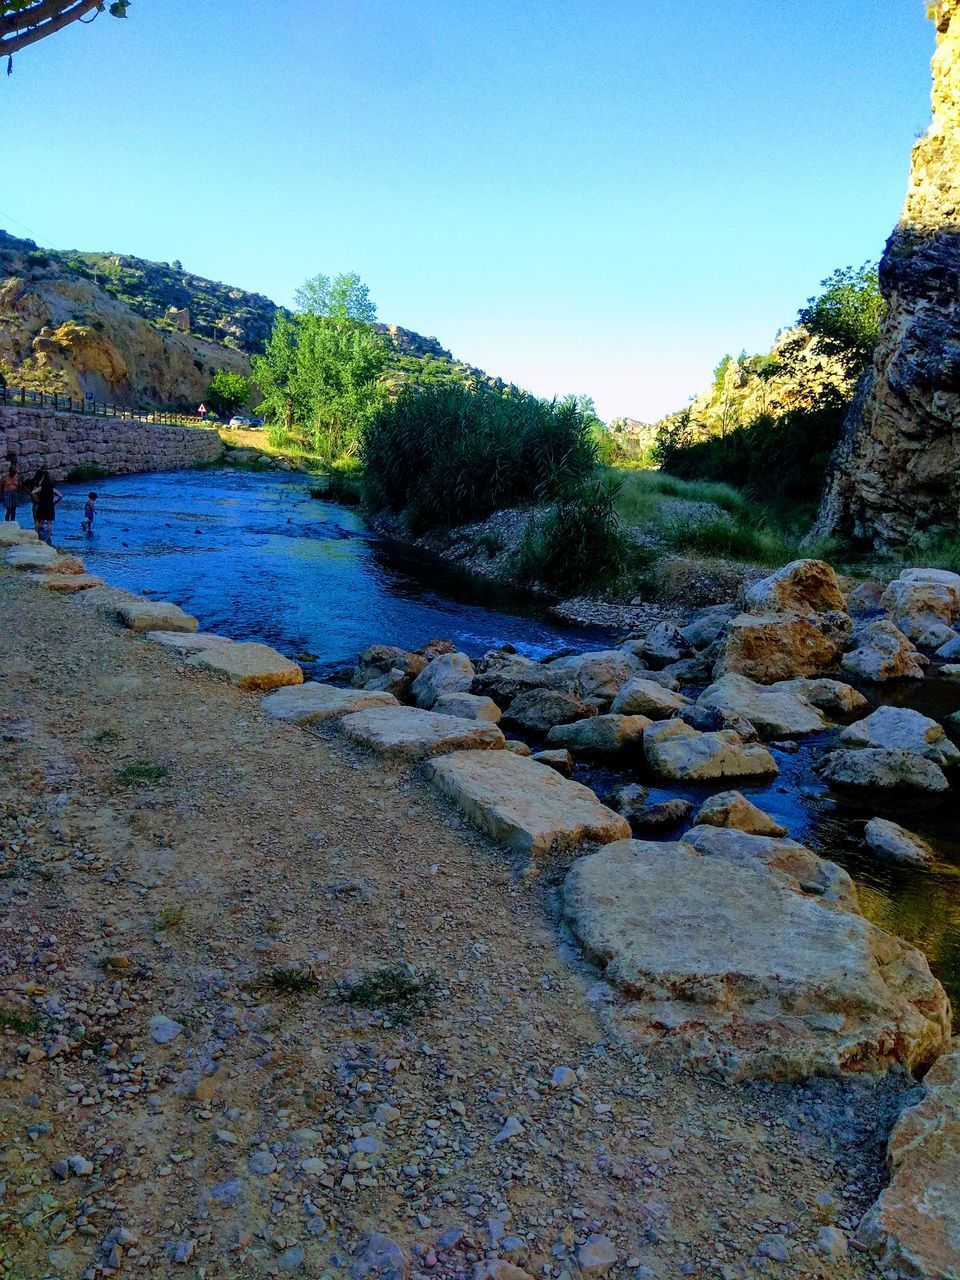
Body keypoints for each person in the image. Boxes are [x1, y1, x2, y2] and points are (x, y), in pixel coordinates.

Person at [30, 468, 62, 545]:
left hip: (41, 505)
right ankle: (48, 538)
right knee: (49, 523)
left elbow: (32, 492)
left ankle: (36, 536)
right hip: (50, 506)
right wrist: (54, 503)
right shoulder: (52, 489)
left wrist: (37, 500)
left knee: (38, 521)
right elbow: (61, 496)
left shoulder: (41, 488)